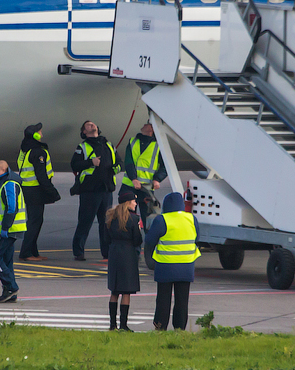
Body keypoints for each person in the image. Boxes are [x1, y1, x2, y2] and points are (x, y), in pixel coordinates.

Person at [144, 192, 200, 331]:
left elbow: (149, 241)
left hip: (165, 266)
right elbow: (197, 238)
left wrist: (151, 259)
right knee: (182, 300)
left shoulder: (162, 219)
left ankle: (160, 326)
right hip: (186, 266)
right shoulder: (192, 219)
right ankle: (180, 328)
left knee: (163, 299)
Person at [70, 120, 122, 261]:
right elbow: (74, 165)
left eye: (93, 124)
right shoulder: (82, 147)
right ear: (84, 132)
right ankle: (78, 251)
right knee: (85, 221)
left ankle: (106, 252)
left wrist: (113, 169)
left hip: (106, 190)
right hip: (90, 190)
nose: (91, 125)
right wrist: (90, 162)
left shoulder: (109, 145)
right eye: (87, 125)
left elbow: (119, 163)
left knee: (106, 223)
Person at [0, 160, 27, 303]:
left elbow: (11, 208)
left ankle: (11, 286)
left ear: (3, 170)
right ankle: (9, 293)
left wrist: (5, 228)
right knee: (6, 261)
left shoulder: (9, 185)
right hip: (2, 230)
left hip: (8, 230)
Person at [17, 122, 60, 262]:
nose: (41, 133)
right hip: (35, 190)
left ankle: (33, 252)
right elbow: (41, 175)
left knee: (35, 221)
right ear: (35, 135)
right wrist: (52, 191)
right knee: (35, 221)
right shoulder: (38, 152)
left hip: (27, 189)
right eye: (39, 131)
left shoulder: (26, 150)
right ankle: (25, 252)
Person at [102, 191, 144, 331]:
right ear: (128, 203)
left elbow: (106, 239)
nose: (135, 203)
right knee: (126, 291)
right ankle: (123, 325)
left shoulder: (110, 217)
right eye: (133, 201)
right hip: (128, 255)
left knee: (114, 291)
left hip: (114, 253)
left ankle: (112, 325)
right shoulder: (133, 219)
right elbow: (137, 240)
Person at [118, 122, 167, 231]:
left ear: (152, 130)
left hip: (147, 187)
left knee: (148, 219)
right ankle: (131, 244)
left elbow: (165, 166)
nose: (145, 123)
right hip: (130, 185)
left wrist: (157, 179)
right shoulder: (132, 142)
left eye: (148, 124)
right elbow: (128, 163)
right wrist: (134, 179)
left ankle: (149, 245)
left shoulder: (158, 145)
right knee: (126, 219)